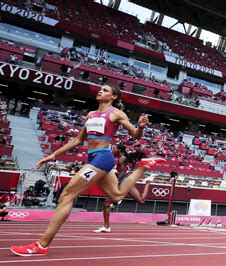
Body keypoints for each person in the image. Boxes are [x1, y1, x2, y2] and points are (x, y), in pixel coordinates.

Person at [10, 84, 165, 256]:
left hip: (102, 158)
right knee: (116, 195)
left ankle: (41, 245)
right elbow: (78, 140)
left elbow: (135, 135)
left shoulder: (116, 113)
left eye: (106, 90)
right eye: (100, 89)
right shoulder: (91, 115)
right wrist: (53, 155)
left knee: (67, 195)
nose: (101, 91)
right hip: (93, 157)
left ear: (114, 97)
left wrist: (141, 127)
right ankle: (143, 167)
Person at [93, 144, 155, 233]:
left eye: (114, 148)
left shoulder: (121, 159)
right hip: (126, 181)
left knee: (106, 203)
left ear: (119, 150)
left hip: (123, 182)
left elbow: (122, 172)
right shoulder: (122, 158)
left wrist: (115, 185)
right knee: (141, 201)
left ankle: (107, 226)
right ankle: (148, 181)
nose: (112, 150)